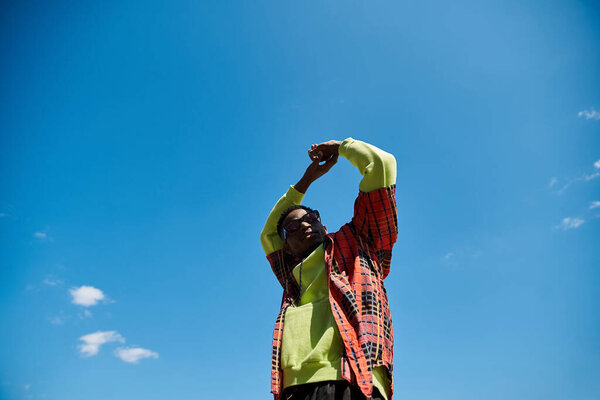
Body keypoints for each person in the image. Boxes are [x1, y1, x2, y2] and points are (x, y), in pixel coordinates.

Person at [260, 138, 398, 400]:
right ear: (286, 246)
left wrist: (341, 147)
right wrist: (305, 181)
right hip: (294, 386)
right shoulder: (291, 271)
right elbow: (268, 233)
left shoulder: (359, 241)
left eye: (311, 218)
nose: (305, 225)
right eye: (293, 226)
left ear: (322, 223)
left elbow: (382, 164)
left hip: (355, 377)